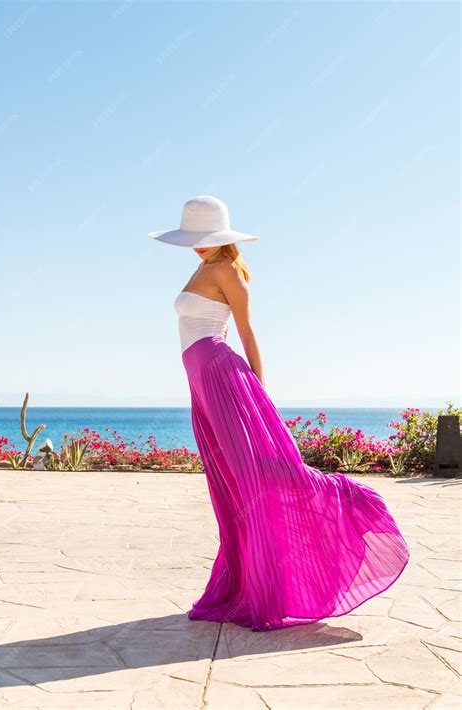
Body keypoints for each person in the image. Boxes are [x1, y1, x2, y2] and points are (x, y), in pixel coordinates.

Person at [149, 195, 410, 632]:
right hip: (200, 383)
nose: (198, 246)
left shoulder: (228, 271)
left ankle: (346, 501)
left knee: (258, 472)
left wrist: (260, 392)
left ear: (222, 238)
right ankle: (244, 584)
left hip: (221, 374)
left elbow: (248, 333)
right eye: (194, 239)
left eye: (204, 238)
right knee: (231, 483)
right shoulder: (200, 267)